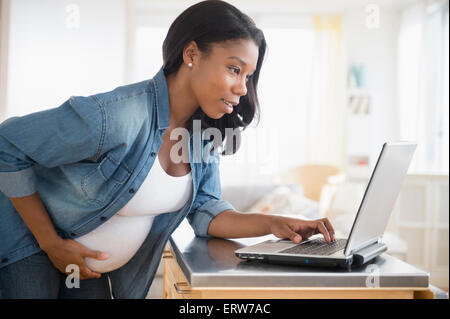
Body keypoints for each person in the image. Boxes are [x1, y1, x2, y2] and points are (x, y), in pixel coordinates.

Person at [0, 0, 335, 299]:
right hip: (33, 248)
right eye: (234, 69)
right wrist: (51, 243)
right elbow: (8, 143)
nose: (242, 88)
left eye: (248, 76)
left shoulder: (204, 133)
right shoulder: (116, 116)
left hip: (87, 265)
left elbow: (206, 211)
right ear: (191, 54)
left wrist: (276, 224)